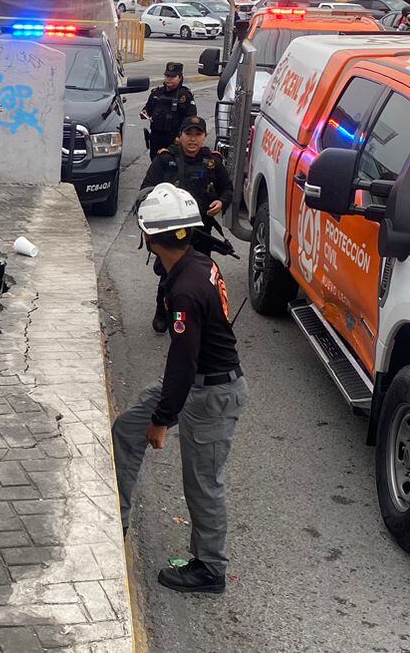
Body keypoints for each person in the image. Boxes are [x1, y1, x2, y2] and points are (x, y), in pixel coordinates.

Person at [112, 184, 248, 594]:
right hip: (198, 383)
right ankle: (115, 516)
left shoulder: (186, 289)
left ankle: (210, 569)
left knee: (204, 483)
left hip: (210, 394)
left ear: (150, 238)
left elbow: (182, 361)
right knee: (126, 428)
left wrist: (162, 420)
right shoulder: (195, 263)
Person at [140, 115, 233, 270]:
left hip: (201, 231)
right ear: (180, 135)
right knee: (169, 277)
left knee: (199, 274)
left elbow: (228, 189)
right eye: (188, 134)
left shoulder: (212, 161)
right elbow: (145, 191)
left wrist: (221, 202)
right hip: (170, 232)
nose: (193, 139)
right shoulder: (165, 160)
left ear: (205, 137)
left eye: (198, 135)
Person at [140, 62, 196, 157]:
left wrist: (181, 137)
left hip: (174, 139)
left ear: (180, 78)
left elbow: (191, 119)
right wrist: (144, 112)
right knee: (156, 165)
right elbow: (148, 109)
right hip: (156, 138)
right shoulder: (156, 93)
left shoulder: (185, 96)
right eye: (167, 76)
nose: (169, 79)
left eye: (172, 77)